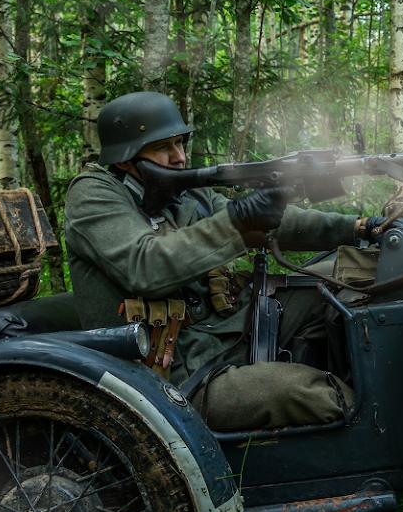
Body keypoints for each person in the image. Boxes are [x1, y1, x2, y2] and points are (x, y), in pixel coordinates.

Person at [63, 91, 381, 386]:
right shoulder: (93, 195)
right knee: (319, 395)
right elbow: (146, 267)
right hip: (169, 374)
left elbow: (273, 222)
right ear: (124, 159)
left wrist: (360, 227)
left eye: (180, 143)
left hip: (228, 332)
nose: (179, 157)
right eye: (162, 147)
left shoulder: (184, 193)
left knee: (349, 281)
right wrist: (238, 221)